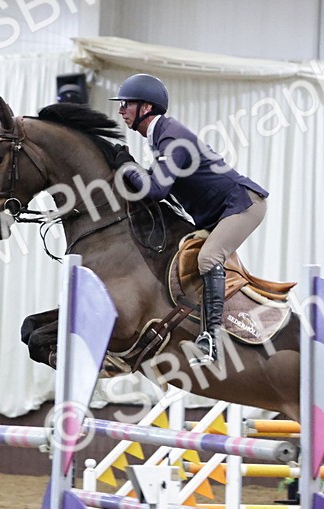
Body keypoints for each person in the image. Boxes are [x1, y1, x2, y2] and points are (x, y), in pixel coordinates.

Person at [110, 73, 268, 365]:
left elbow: (156, 190)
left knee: (208, 258)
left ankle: (211, 341)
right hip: (217, 212)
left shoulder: (171, 136)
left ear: (146, 107)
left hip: (242, 204)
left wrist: (128, 168)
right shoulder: (159, 137)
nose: (121, 111)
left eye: (126, 104)